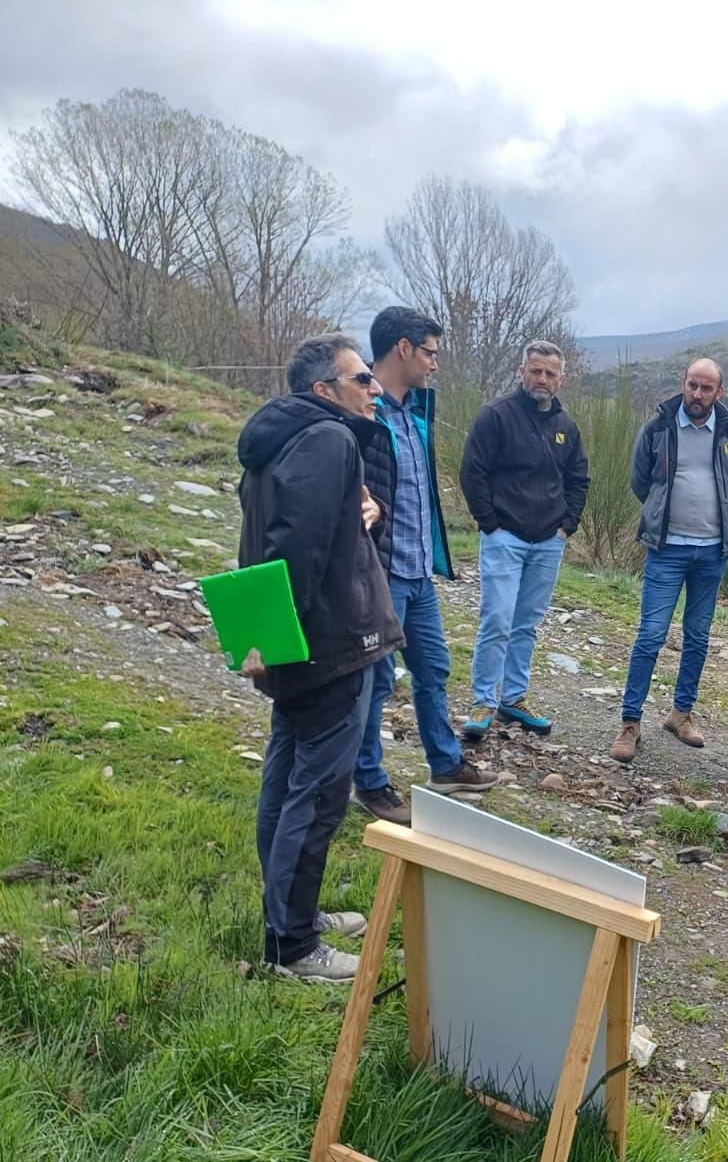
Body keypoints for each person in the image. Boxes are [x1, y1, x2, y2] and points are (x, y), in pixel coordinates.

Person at [236, 333, 404, 983]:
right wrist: (282, 643)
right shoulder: (329, 440)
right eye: (362, 379)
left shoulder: (283, 440)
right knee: (317, 794)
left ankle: (286, 911)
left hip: (299, 642)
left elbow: (292, 530)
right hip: (328, 644)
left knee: (285, 781)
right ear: (324, 392)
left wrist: (364, 512)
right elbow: (292, 551)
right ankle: (294, 946)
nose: (375, 389)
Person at [352, 307, 496, 826]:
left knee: (432, 669)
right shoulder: (361, 409)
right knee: (376, 679)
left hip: (417, 572)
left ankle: (446, 765)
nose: (436, 364)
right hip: (380, 571)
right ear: (404, 349)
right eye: (431, 352)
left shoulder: (416, 411)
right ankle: (368, 782)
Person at [610, 358, 728, 763]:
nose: (697, 394)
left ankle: (681, 713)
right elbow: (641, 480)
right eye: (692, 385)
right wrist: (661, 515)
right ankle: (630, 723)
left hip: (712, 552)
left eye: (707, 388)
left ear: (719, 393)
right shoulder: (658, 428)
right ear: (683, 384)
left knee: (698, 637)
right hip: (667, 549)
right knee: (651, 634)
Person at [459, 340, 590, 741]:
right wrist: (490, 524)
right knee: (497, 618)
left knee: (527, 624)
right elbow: (472, 472)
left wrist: (567, 526)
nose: (542, 379)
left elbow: (578, 479)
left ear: (561, 379)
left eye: (550, 373)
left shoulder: (566, 427)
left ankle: (513, 699)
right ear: (522, 371)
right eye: (535, 370)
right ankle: (484, 699)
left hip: (548, 541)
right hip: (505, 537)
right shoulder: (496, 416)